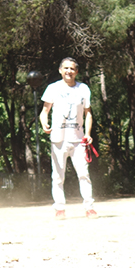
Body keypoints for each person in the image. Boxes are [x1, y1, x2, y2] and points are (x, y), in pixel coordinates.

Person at [39, 57, 97, 219]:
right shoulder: (52, 88)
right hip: (58, 139)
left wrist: (88, 134)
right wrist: (45, 124)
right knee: (58, 176)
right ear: (60, 70)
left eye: (72, 69)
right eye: (65, 68)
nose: (69, 71)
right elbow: (44, 112)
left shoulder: (83, 89)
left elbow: (88, 114)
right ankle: (59, 209)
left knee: (84, 174)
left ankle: (89, 208)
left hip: (78, 140)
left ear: (76, 71)